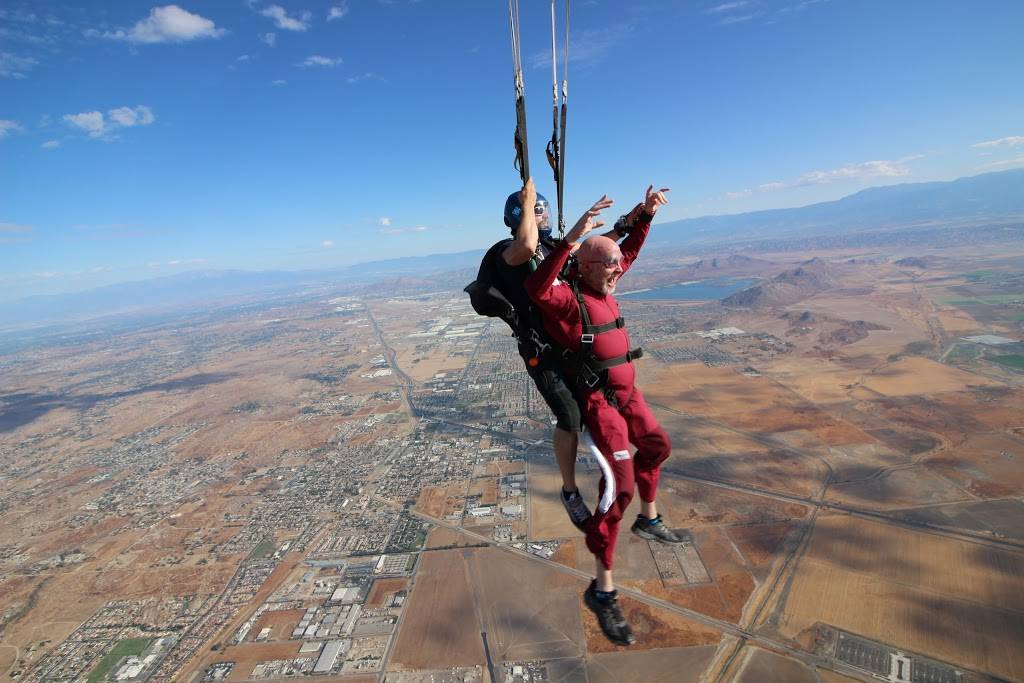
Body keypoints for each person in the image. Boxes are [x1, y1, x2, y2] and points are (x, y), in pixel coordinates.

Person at [524, 184, 683, 646]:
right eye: (611, 265)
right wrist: (572, 237)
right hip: (602, 405)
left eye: (617, 264)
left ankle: (649, 520)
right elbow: (537, 287)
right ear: (588, 267)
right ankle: (602, 588)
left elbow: (624, 250)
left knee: (657, 446)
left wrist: (646, 215)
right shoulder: (567, 300)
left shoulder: (603, 279)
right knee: (619, 488)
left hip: (629, 395)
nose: (621, 270)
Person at [490, 177, 614, 531]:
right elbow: (525, 247)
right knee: (569, 415)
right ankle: (571, 492)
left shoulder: (548, 248)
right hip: (540, 351)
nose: (541, 219)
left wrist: (632, 221)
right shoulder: (505, 253)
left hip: (567, 344)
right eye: (535, 214)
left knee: (603, 398)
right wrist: (529, 203)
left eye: (539, 214)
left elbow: (580, 251)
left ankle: (611, 468)